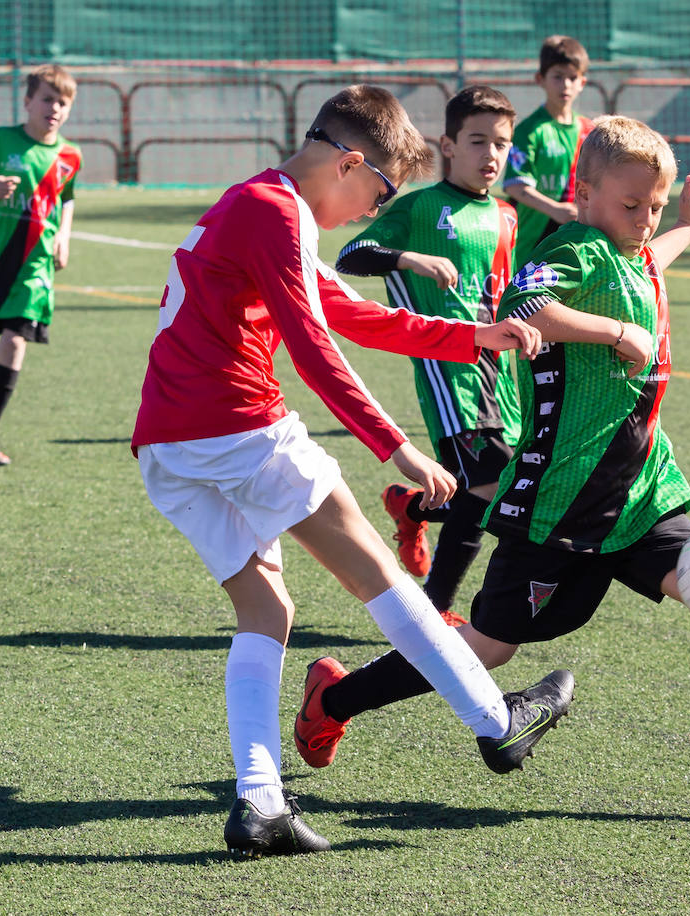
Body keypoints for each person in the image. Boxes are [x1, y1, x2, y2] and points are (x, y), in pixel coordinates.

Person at [295, 116, 690, 815]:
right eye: (632, 206)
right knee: (490, 646)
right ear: (585, 190)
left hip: (639, 494)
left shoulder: (635, 249)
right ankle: (336, 697)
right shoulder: (581, 248)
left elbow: (656, 254)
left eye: (653, 207)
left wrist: (688, 221)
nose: (645, 221)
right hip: (559, 504)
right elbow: (525, 302)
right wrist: (614, 330)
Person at [131, 85, 574, 858]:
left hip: (169, 446)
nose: (376, 208)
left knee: (267, 613)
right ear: (349, 161)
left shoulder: (265, 205)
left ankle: (261, 804)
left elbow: (357, 315)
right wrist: (394, 445)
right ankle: (497, 726)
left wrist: (477, 336)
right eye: (380, 189)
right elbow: (312, 345)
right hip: (237, 428)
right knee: (384, 578)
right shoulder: (275, 213)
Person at [334, 85, 519, 626]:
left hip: (499, 372)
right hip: (448, 372)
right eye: (478, 141)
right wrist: (409, 258)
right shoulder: (420, 207)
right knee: (489, 485)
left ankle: (412, 507)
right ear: (449, 145)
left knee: (495, 490)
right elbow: (351, 254)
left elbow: (506, 290)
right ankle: (431, 613)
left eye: (501, 144)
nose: (490, 154)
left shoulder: (506, 216)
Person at [0, 64, 81, 466]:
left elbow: (67, 199)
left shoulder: (70, 155)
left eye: (63, 103)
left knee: (13, 343)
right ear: (28, 102)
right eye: (47, 99)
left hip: (35, 268)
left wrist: (63, 236)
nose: (54, 109)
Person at [502, 34, 594, 270]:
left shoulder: (589, 130)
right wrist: (556, 210)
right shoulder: (530, 130)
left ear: (582, 82)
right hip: (531, 239)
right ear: (540, 79)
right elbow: (515, 185)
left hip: (575, 238)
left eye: (573, 78)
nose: (565, 85)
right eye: (557, 77)